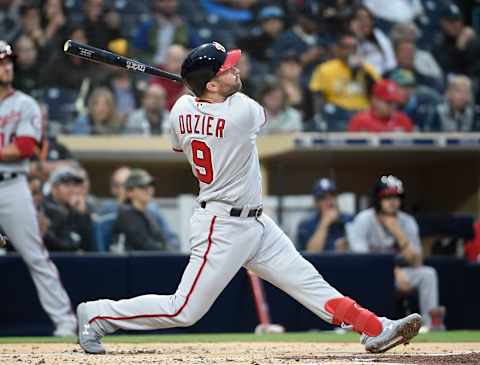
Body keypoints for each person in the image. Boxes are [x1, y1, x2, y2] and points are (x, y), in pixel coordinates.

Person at [77, 42, 421, 355]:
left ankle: (375, 328)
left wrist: (197, 96)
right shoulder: (241, 112)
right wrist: (202, 97)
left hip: (255, 222)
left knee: (308, 281)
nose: (235, 69)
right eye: (226, 68)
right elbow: (250, 112)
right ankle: (97, 314)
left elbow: (178, 140)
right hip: (221, 226)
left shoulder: (179, 109)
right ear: (211, 84)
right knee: (183, 310)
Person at [0, 41, 76, 336]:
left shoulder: (24, 104)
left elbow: (23, 148)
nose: (7, 66)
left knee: (35, 255)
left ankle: (65, 321)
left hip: (11, 186)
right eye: (2, 62)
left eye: (9, 62)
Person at [347, 175, 446, 332]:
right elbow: (363, 260)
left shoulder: (407, 221)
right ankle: (356, 323)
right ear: (377, 200)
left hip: (401, 273)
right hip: (372, 274)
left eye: (396, 196)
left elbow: (417, 261)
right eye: (387, 197)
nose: (393, 201)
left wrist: (399, 234)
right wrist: (393, 271)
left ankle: (430, 324)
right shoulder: (364, 220)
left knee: (427, 274)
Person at [310, 32, 380, 131]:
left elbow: (378, 94)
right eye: (346, 47)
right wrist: (320, 116)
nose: (350, 51)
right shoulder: (325, 69)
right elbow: (318, 96)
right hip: (337, 113)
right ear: (338, 49)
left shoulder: (367, 69)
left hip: (363, 113)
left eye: (354, 48)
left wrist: (363, 73)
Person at [112, 169, 169, 251]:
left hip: (146, 261)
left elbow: (161, 241)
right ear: (130, 192)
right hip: (130, 262)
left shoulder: (148, 215)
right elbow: (144, 244)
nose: (148, 190)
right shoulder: (126, 215)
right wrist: (166, 252)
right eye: (142, 186)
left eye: (150, 185)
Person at [43, 165, 94, 252]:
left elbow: (88, 247)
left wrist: (83, 215)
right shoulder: (44, 209)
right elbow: (57, 246)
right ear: (54, 188)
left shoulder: (81, 207)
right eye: (66, 184)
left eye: (76, 185)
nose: (72, 190)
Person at [297, 178, 351, 253]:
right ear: (316, 202)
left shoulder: (349, 219)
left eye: (332, 195)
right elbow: (311, 254)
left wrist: (348, 246)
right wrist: (324, 223)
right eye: (323, 197)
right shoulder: (306, 225)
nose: (329, 201)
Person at [347, 79, 414, 132]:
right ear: (375, 100)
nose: (392, 106)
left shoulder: (403, 120)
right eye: (388, 102)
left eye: (394, 102)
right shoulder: (359, 121)